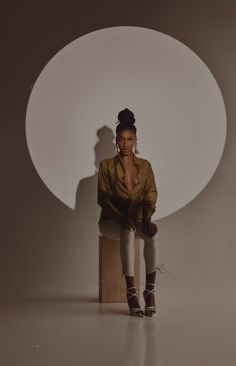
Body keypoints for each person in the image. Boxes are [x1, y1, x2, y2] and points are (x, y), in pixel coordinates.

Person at [97, 108, 162, 318]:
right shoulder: (106, 166)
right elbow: (103, 199)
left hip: (136, 221)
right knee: (127, 231)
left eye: (130, 139)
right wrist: (122, 218)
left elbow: (150, 195)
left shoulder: (145, 166)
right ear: (116, 141)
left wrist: (147, 219)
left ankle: (149, 291)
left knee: (152, 234)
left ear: (135, 140)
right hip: (110, 222)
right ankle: (131, 292)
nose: (125, 143)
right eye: (121, 139)